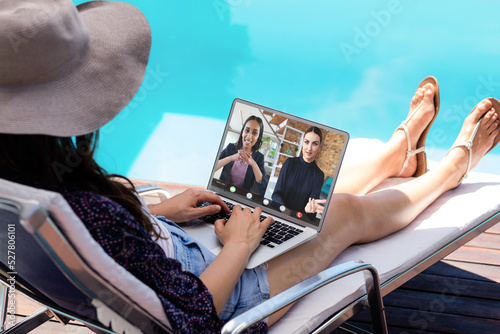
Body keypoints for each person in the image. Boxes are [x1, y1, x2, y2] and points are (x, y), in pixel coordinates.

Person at [1, 2, 499, 334]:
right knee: (339, 214)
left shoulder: (23, 187)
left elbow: (111, 249)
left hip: (171, 253)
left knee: (296, 203)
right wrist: (239, 245)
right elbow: (191, 320)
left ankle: (397, 156)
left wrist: (164, 215)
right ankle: (452, 169)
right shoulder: (86, 211)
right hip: (220, 295)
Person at [271, 126, 326, 214]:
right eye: (307, 142)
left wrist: (309, 209)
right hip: (279, 212)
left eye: (315, 143)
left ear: (319, 146)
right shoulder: (289, 163)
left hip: (299, 218)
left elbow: (311, 207)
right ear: (303, 142)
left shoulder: (319, 175)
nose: (309, 148)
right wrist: (285, 210)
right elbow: (276, 194)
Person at [216, 115, 269, 196]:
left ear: (258, 137)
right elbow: (212, 168)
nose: (249, 136)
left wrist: (253, 164)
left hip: (242, 198)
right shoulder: (230, 148)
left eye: (254, 133)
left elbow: (263, 186)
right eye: (247, 130)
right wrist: (231, 158)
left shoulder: (259, 157)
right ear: (242, 132)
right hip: (222, 192)